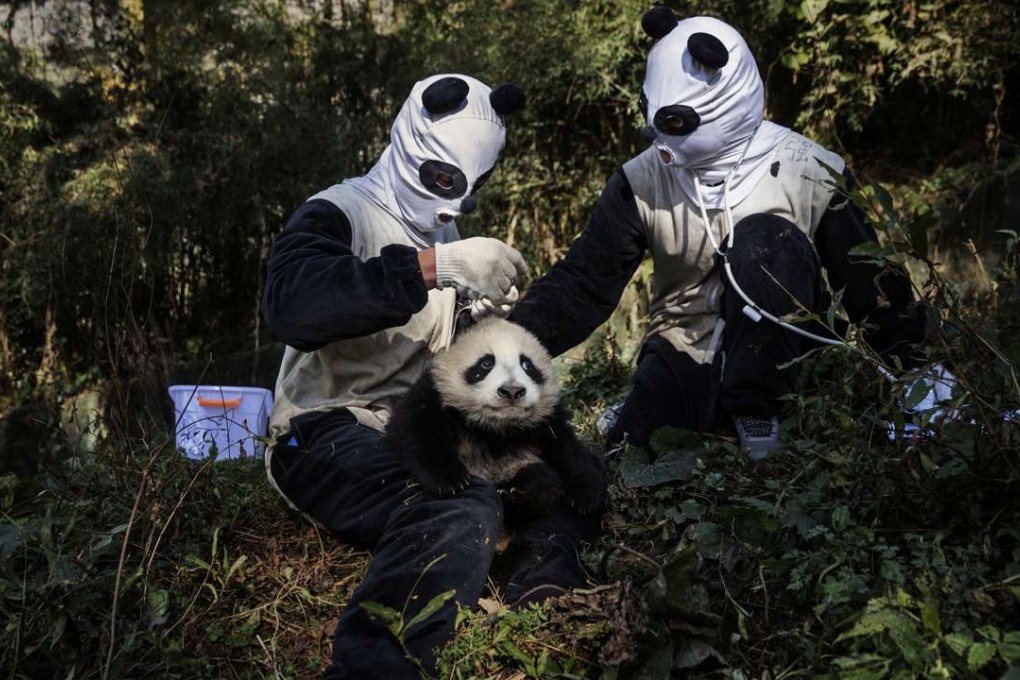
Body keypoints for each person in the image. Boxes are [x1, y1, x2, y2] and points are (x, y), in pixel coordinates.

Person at [261, 74, 604, 679]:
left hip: (418, 425)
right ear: (409, 143)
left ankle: (539, 582)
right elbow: (293, 305)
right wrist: (432, 266)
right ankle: (375, 667)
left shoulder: (443, 228)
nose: (453, 205)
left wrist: (491, 316)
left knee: (566, 475)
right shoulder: (340, 211)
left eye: (470, 193)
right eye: (445, 182)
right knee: (457, 503)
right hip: (317, 433)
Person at [510, 9, 928, 459]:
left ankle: (755, 405)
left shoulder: (810, 169)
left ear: (727, 104)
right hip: (684, 338)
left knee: (764, 241)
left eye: (671, 123)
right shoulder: (641, 179)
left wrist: (916, 371)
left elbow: (871, 284)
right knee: (639, 440)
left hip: (783, 348)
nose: (656, 135)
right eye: (649, 114)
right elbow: (584, 284)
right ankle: (658, 404)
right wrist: (503, 350)